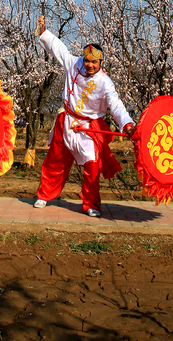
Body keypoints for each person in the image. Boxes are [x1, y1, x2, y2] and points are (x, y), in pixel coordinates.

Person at [33, 15, 135, 217]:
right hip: (67, 121)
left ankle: (91, 204)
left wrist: (127, 124)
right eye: (87, 61)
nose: (89, 65)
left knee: (91, 165)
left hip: (88, 129)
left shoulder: (105, 82)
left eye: (94, 62)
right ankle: (44, 195)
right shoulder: (73, 64)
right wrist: (44, 32)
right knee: (55, 161)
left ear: (101, 62)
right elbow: (58, 48)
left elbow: (116, 105)